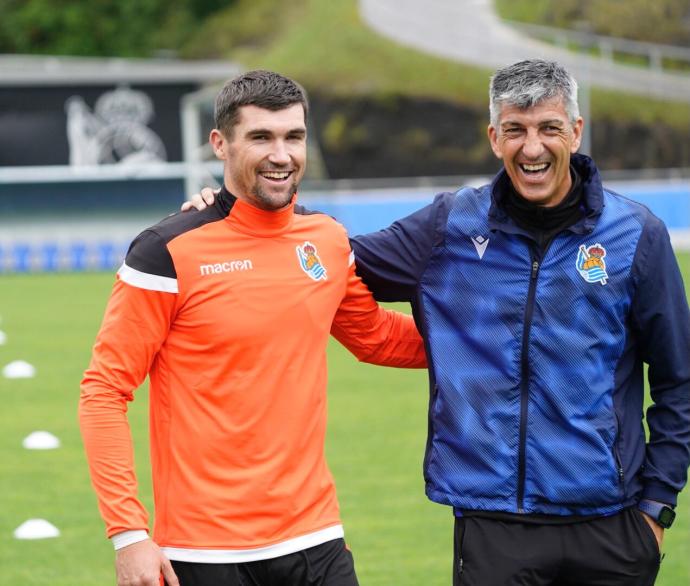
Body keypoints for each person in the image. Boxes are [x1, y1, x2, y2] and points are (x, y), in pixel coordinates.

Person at [188, 60, 690, 585]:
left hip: (612, 527)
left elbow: (679, 380)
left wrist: (656, 506)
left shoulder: (635, 236)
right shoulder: (452, 227)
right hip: (493, 526)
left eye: (549, 128)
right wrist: (235, 210)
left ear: (577, 132)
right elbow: (331, 256)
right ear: (494, 137)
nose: (533, 147)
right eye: (516, 130)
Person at [79, 70, 426, 586]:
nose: (281, 155)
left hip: (314, 538)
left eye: (294, 136)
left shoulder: (326, 241)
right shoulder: (167, 251)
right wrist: (129, 534)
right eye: (261, 137)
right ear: (220, 144)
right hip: (202, 553)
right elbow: (104, 391)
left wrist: (496, 339)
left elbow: (375, 336)